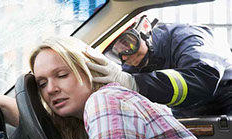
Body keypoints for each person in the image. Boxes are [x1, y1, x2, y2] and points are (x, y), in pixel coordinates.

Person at [0, 36, 212, 139]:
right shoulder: (79, 123)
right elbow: (38, 129)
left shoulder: (105, 102)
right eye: (42, 83)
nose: (51, 88)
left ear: (90, 70)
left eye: (62, 75)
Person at [85, 18, 232, 117]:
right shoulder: (132, 67)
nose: (124, 56)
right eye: (114, 52)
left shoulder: (186, 37)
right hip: (188, 114)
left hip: (226, 101)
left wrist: (135, 83)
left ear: (145, 27)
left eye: (127, 44)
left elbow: (203, 78)